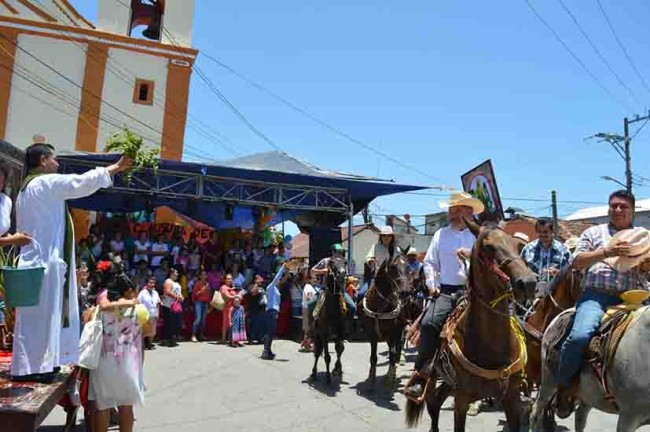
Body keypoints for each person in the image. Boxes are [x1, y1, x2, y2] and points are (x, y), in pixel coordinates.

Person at [11, 143, 131, 381]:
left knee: (39, 318)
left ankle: (41, 364)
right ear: (43, 161)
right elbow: (79, 183)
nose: (58, 164)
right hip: (44, 263)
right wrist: (115, 168)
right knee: (43, 317)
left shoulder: (26, 189)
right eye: (54, 159)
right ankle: (35, 368)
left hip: (35, 261)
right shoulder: (45, 183)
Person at [554, 190, 650, 418]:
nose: (617, 210)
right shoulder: (593, 232)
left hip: (638, 296)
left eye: (623, 206)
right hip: (598, 295)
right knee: (579, 336)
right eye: (613, 206)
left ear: (632, 210)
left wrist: (646, 265)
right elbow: (576, 262)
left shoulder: (644, 236)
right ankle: (564, 385)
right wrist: (607, 251)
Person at [404, 191, 484, 408]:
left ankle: (509, 375)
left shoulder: (479, 235)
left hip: (474, 292)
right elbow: (429, 263)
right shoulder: (440, 234)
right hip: (447, 291)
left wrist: (471, 256)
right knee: (429, 324)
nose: (451, 212)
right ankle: (420, 376)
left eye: (456, 208)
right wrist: (432, 283)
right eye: (450, 209)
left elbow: (489, 264)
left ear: (468, 211)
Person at [90, 261, 149, 432]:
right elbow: (149, 331)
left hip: (105, 361)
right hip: (129, 362)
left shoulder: (101, 303)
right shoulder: (137, 308)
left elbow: (100, 308)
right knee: (126, 406)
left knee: (102, 407)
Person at [309, 243, 356, 315]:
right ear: (332, 252)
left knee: (352, 307)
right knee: (311, 304)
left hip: (340, 291)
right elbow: (312, 271)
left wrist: (349, 279)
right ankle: (314, 323)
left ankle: (348, 324)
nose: (339, 254)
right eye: (337, 252)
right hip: (324, 290)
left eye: (340, 252)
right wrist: (323, 271)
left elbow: (346, 276)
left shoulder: (344, 263)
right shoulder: (325, 261)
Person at [262, 262, 291, 360]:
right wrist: (283, 267)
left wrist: (287, 271)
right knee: (270, 332)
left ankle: (268, 350)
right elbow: (278, 277)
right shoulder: (271, 287)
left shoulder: (275, 289)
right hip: (271, 311)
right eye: (277, 280)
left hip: (273, 312)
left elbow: (283, 279)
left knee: (271, 332)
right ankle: (266, 351)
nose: (279, 281)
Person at [161, 268, 183, 347]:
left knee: (175, 323)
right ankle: (167, 339)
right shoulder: (168, 281)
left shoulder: (176, 283)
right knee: (168, 323)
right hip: (168, 305)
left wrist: (181, 297)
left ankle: (172, 338)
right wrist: (177, 297)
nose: (177, 274)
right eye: (176, 272)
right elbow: (167, 292)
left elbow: (178, 293)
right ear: (171, 273)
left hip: (175, 305)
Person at [138, 276, 161, 350]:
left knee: (153, 332)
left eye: (153, 283)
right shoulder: (142, 293)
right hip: (145, 315)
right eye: (150, 283)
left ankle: (150, 344)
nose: (152, 285)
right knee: (144, 332)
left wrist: (158, 313)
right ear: (146, 284)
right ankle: (142, 345)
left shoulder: (155, 293)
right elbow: (138, 303)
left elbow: (158, 303)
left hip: (153, 314)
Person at [244, 275, 266, 344]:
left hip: (261, 308)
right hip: (253, 309)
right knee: (253, 324)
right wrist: (256, 284)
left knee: (261, 324)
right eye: (258, 279)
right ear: (255, 280)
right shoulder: (251, 286)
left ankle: (260, 338)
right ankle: (251, 339)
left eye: (261, 279)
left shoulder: (262, 287)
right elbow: (253, 293)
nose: (260, 281)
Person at [191, 270, 211, 342]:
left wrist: (209, 304)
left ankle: (201, 335)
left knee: (203, 320)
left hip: (205, 303)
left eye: (205, 274)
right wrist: (201, 291)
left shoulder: (208, 284)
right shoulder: (197, 284)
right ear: (200, 276)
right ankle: (193, 335)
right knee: (198, 319)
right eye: (202, 275)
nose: (204, 276)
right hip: (198, 303)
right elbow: (194, 294)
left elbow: (209, 295)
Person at [300, 274, 317, 352]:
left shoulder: (311, 287)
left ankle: (306, 343)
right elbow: (309, 297)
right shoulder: (308, 287)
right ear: (309, 279)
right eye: (313, 278)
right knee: (308, 327)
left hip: (309, 309)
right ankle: (307, 344)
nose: (315, 280)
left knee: (309, 327)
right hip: (308, 309)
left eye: (316, 278)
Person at [220, 274, 238, 343]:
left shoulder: (232, 287)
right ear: (225, 280)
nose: (230, 280)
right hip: (227, 308)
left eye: (231, 278)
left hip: (233, 307)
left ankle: (229, 339)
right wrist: (236, 296)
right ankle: (224, 339)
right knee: (226, 324)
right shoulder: (223, 287)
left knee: (230, 323)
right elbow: (227, 297)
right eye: (228, 278)